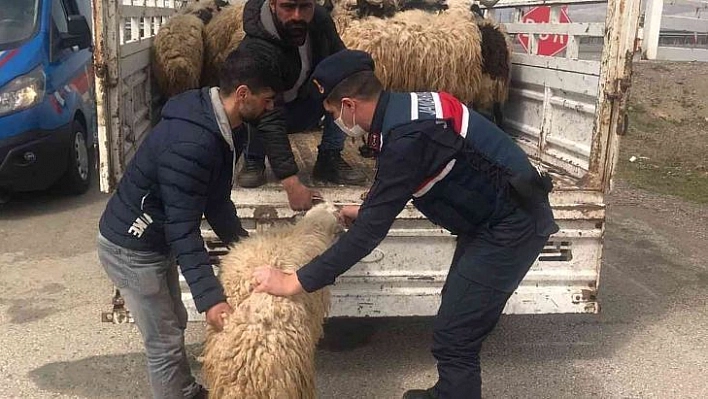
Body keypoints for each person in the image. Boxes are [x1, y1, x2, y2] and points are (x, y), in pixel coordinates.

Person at [251, 50, 560, 399]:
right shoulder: (406, 110)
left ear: (350, 105)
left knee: (456, 334)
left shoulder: (406, 138)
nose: (334, 119)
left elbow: (369, 234)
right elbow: (413, 174)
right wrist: (367, 207)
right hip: (494, 218)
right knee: (456, 310)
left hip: (510, 227)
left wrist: (294, 281)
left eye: (333, 112)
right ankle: (448, 390)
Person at [96, 47, 284, 399]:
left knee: (175, 321)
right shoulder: (191, 143)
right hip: (131, 248)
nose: (271, 107)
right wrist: (211, 298)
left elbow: (214, 200)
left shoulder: (231, 127)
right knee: (164, 341)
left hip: (155, 239)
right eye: (268, 99)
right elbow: (182, 228)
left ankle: (183, 389)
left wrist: (244, 247)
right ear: (242, 94)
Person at [234, 0, 367, 198]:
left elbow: (341, 59)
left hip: (305, 100)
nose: (297, 15)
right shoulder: (255, 47)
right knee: (254, 99)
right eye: (288, 7)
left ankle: (329, 158)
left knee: (346, 79)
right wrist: (290, 180)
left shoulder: (319, 20)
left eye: (305, 6)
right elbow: (269, 116)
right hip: (268, 109)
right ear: (272, 4)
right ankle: (254, 158)